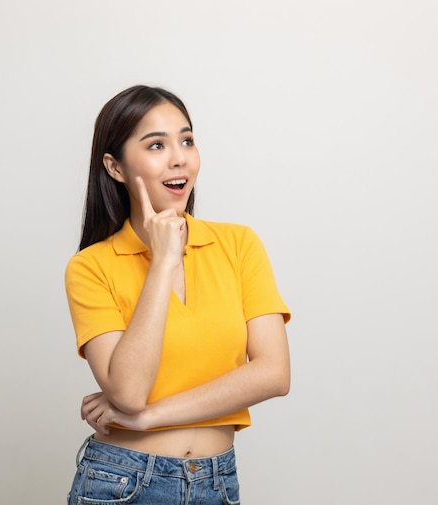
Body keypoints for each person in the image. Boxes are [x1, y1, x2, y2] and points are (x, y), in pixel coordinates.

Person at [64, 84, 291, 504]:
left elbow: (274, 374)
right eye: (156, 144)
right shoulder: (91, 267)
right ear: (114, 168)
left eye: (186, 140)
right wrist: (164, 262)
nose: (179, 157)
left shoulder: (239, 245)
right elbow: (128, 391)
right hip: (123, 483)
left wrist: (149, 417)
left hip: (217, 482)